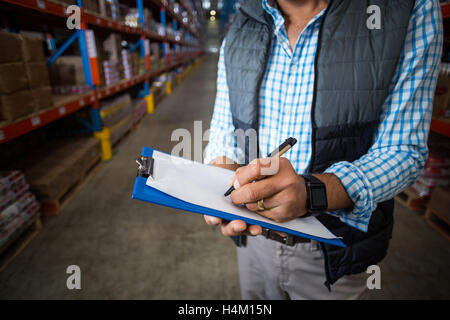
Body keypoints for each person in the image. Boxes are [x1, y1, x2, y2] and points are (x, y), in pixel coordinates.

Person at [203, 0, 443, 299]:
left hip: (335, 254)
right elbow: (225, 130)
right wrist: (220, 183)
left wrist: (312, 192)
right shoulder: (244, 21)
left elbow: (403, 148)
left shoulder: (404, 9)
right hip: (253, 241)